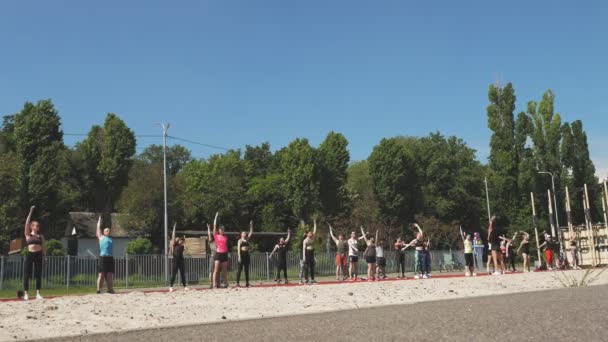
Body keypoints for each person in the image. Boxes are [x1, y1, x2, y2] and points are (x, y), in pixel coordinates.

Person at [23, 206, 45, 301]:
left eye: (39, 226)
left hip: (39, 255)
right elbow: (27, 222)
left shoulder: (41, 236)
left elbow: (44, 246)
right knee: (27, 274)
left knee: (38, 274)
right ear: (32, 226)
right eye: (36, 225)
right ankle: (26, 294)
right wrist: (31, 211)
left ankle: (38, 294)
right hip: (30, 255)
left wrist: (45, 256)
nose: (38, 227)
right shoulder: (28, 235)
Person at [96, 215, 115, 294]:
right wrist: (99, 219)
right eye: (107, 230)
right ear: (103, 232)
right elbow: (98, 228)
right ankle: (99, 290)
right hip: (103, 258)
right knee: (101, 274)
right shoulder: (101, 237)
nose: (109, 231)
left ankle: (110, 290)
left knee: (109, 275)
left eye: (109, 230)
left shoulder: (111, 239)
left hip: (110, 258)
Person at [212, 212, 230, 288]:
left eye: (223, 229)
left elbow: (226, 246)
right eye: (221, 229)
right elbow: (214, 226)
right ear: (218, 230)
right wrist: (216, 217)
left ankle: (225, 283)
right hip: (218, 253)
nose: (222, 230)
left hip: (224, 253)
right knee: (216, 270)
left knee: (224, 271)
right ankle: (214, 284)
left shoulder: (225, 237)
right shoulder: (216, 236)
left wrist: (228, 254)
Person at [236, 221, 254, 288]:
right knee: (239, 269)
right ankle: (237, 283)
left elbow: (251, 232)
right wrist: (239, 256)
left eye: (245, 233)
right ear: (241, 234)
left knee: (246, 269)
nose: (244, 233)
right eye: (243, 233)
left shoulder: (247, 239)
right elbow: (238, 249)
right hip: (242, 254)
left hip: (246, 254)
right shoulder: (240, 241)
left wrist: (251, 225)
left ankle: (247, 283)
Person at [302, 219, 318, 284]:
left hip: (312, 253)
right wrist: (304, 257)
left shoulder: (313, 237)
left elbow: (315, 230)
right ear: (307, 234)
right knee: (306, 267)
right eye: (309, 233)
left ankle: (312, 279)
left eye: (311, 233)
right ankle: (306, 279)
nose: (311, 234)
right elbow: (303, 249)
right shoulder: (305, 240)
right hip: (307, 253)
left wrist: (315, 223)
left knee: (312, 267)